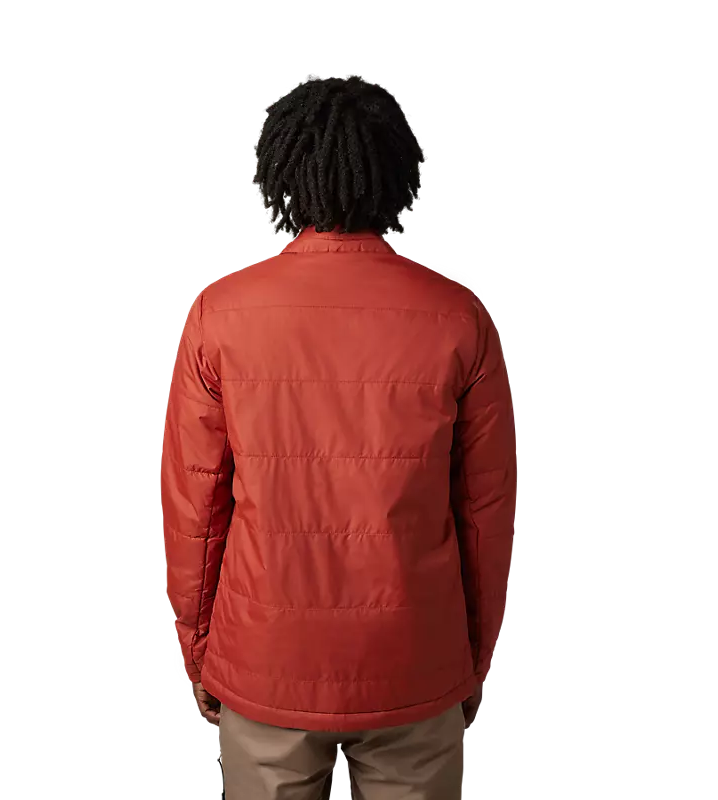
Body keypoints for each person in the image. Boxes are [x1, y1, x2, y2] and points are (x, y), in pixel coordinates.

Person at [160, 71, 518, 800]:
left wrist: (200, 652)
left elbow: (194, 510)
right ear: (398, 172)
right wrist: (470, 661)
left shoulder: (220, 312)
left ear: (281, 174)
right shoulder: (458, 316)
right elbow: (487, 514)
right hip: (415, 662)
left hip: (265, 664)